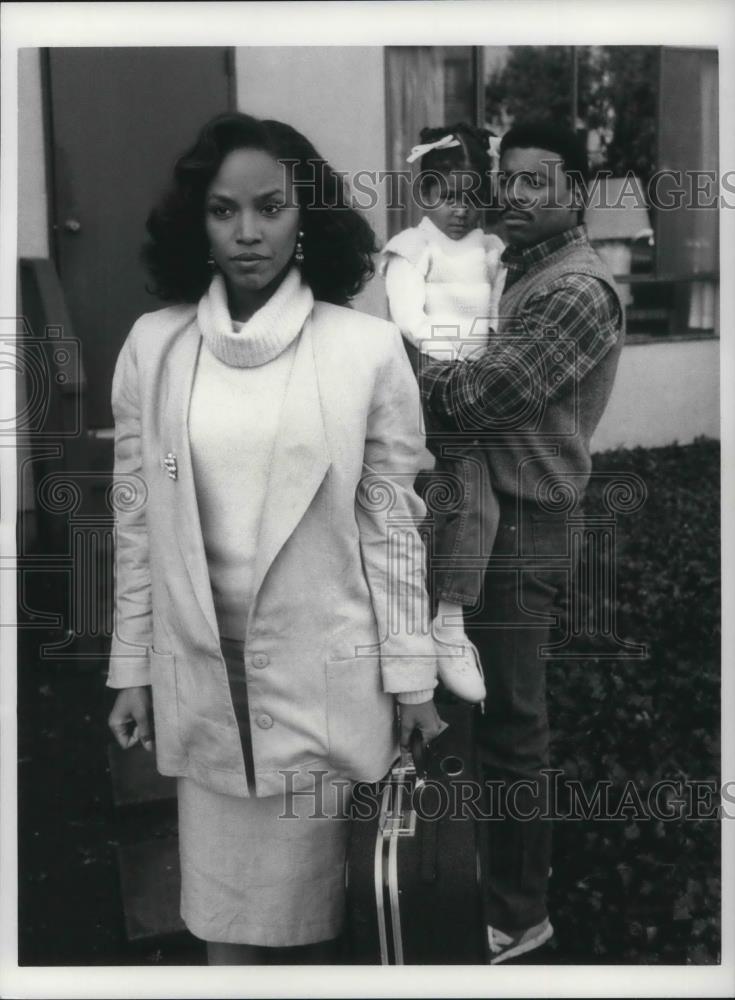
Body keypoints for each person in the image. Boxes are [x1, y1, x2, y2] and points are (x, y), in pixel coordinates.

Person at [106, 111, 444, 965]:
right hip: (205, 684)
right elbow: (137, 520)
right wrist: (132, 668)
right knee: (224, 930)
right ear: (198, 221)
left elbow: (392, 531)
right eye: (224, 211)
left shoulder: (364, 351)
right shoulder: (155, 349)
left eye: (270, 207)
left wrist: (410, 680)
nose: (248, 232)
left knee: (335, 931)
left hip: (325, 687)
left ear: (309, 216)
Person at [416, 120, 626, 963]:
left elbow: (480, 400)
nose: (514, 194)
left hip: (521, 528)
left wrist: (399, 363)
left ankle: (517, 914)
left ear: (576, 193)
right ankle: (476, 879)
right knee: (479, 716)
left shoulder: (575, 290)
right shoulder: (519, 268)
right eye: (508, 179)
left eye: (538, 182)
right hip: (481, 519)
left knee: (510, 727)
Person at [380, 123, 506, 704]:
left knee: (470, 490)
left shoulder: (489, 251)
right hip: (431, 375)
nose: (460, 208)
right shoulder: (414, 247)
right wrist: (466, 352)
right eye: (446, 194)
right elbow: (412, 321)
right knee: (468, 483)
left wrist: (486, 354)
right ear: (424, 192)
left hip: (477, 380)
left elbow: (502, 319)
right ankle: (448, 621)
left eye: (471, 195)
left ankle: (446, 615)